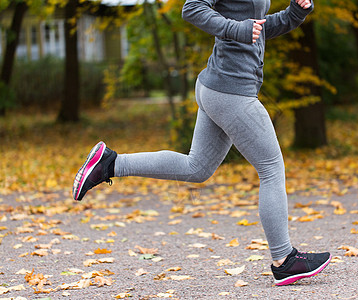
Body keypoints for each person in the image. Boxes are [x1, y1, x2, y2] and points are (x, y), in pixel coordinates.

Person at [72, 0, 331, 286]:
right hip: (232, 90)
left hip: (221, 86)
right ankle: (284, 259)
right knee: (271, 168)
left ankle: (110, 163)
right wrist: (237, 28)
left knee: (197, 167)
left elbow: (257, 28)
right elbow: (192, 8)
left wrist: (296, 12)